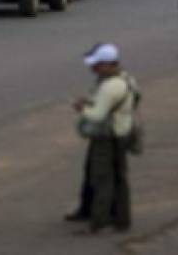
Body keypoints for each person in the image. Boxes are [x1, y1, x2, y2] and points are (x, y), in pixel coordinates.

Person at [67, 43, 137, 234]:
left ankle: (99, 221)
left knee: (102, 178)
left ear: (108, 64)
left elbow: (97, 115)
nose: (93, 68)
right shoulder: (126, 79)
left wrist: (82, 108)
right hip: (122, 132)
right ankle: (121, 219)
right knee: (118, 177)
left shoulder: (110, 86)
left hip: (107, 137)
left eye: (97, 65)